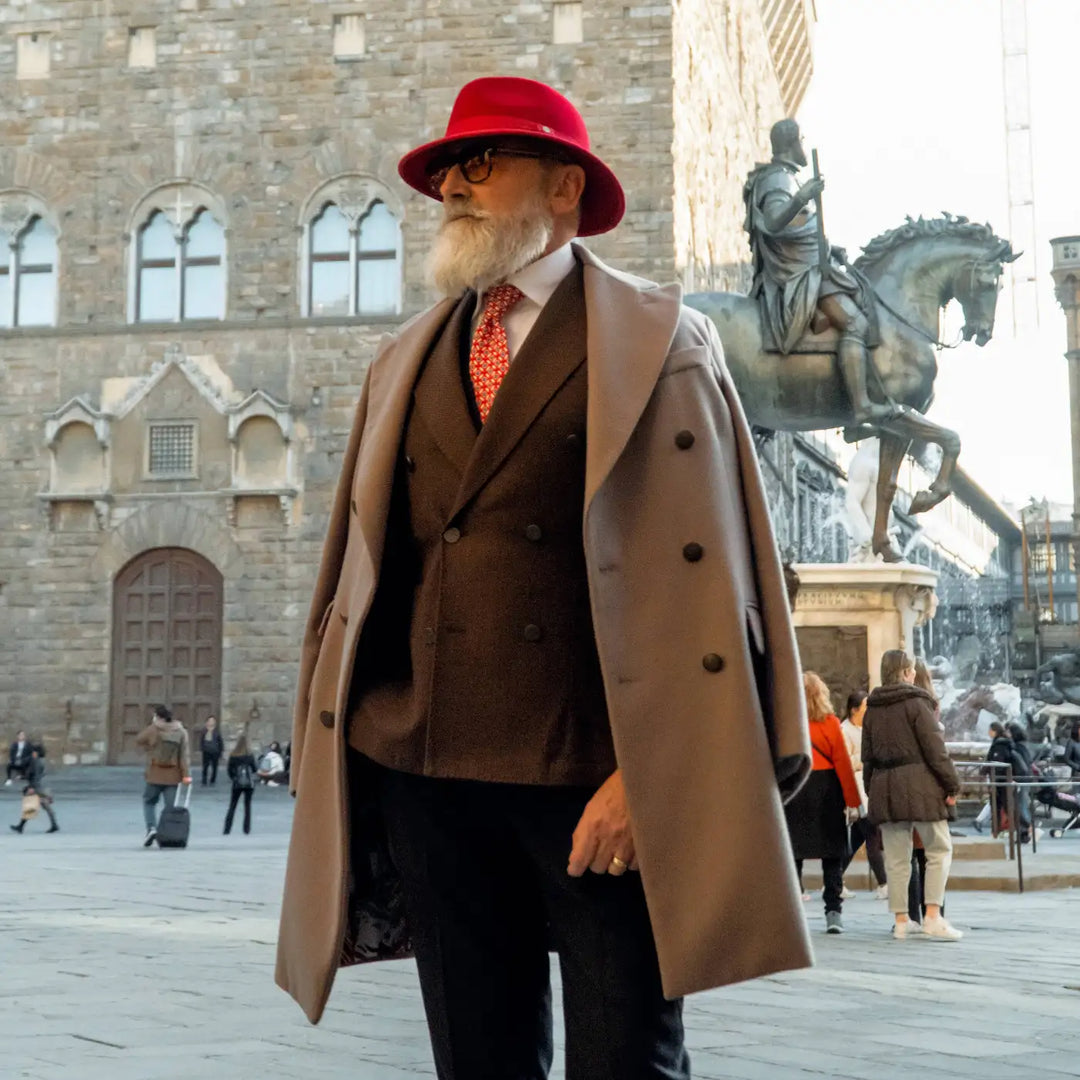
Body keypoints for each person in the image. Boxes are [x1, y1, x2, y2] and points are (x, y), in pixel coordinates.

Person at [276, 75, 813, 1077]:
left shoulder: (663, 344)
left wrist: (648, 781)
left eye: (482, 164)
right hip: (428, 782)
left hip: (594, 790)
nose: (455, 188)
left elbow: (713, 595)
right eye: (447, 170)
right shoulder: (403, 359)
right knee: (477, 1063)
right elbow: (359, 579)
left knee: (627, 1061)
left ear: (565, 187)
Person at [743, 118, 892, 425]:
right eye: (800, 140)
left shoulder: (788, 177)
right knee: (855, 324)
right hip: (798, 273)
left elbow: (799, 229)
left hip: (813, 263)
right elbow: (772, 222)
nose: (802, 145)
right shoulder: (778, 179)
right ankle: (862, 405)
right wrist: (803, 196)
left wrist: (829, 247)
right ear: (790, 143)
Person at [863, 649, 963, 941]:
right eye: (911, 670)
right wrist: (952, 784)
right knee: (939, 848)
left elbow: (867, 758)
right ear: (907, 672)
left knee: (895, 858)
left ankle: (902, 920)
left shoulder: (873, 708)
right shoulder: (917, 703)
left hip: (885, 786)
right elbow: (936, 750)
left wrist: (873, 790)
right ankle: (932, 915)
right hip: (920, 786)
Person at [785, 673, 862, 933]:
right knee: (832, 854)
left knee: (794, 855)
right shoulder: (830, 723)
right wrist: (853, 800)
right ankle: (833, 912)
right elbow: (842, 763)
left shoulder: (787, 724)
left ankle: (794, 915)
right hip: (826, 791)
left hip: (795, 790)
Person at [839, 690, 888, 899]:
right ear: (854, 709)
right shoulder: (844, 730)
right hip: (857, 791)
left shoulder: (869, 729)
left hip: (869, 789)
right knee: (871, 835)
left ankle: (834, 879)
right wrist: (865, 757)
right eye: (866, 707)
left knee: (860, 837)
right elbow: (845, 761)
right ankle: (883, 883)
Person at [134, 704, 191, 847]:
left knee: (149, 801)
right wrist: (186, 775)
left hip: (155, 774)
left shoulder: (154, 729)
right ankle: (169, 834)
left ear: (157, 716)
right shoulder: (181, 731)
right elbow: (184, 756)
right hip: (173, 776)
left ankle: (151, 828)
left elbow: (139, 739)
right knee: (170, 808)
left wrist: (150, 740)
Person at [9, 747, 59, 834]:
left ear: (35, 753)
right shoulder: (41, 762)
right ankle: (54, 825)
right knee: (45, 805)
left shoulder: (35, 762)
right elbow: (36, 775)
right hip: (41, 787)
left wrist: (32, 787)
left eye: (33, 752)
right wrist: (22, 777)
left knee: (30, 805)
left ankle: (21, 826)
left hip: (36, 787)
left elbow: (34, 775)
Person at [224, 734, 257, 835]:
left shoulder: (233, 755)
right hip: (248, 784)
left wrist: (234, 778)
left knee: (232, 806)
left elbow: (229, 771)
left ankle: (227, 829)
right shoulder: (250, 756)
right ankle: (246, 829)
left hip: (237, 783)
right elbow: (255, 769)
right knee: (247, 806)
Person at [199, 716, 224, 786]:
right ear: (207, 722)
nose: (211, 722)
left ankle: (213, 780)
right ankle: (204, 780)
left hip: (215, 751)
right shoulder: (204, 731)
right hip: (206, 751)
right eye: (209, 721)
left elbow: (220, 742)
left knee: (215, 767)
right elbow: (201, 740)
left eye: (212, 721)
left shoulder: (216, 731)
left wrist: (221, 751)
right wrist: (202, 748)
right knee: (205, 766)